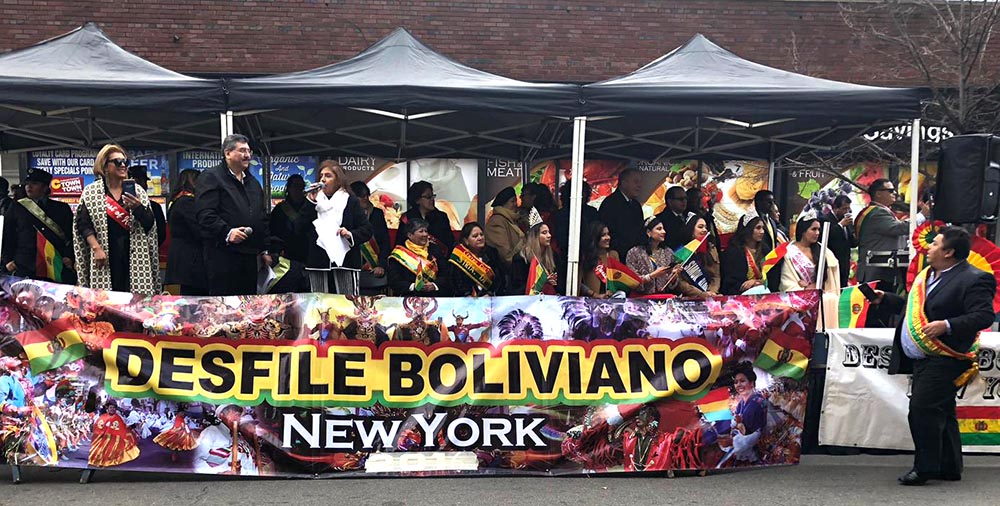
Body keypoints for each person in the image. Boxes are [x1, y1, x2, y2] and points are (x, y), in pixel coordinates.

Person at [873, 226, 995, 486]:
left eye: (936, 243)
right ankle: (949, 466)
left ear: (949, 252)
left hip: (946, 355)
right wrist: (887, 299)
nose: (929, 247)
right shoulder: (926, 276)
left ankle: (925, 467)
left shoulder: (975, 278)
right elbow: (913, 308)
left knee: (922, 408)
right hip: (921, 357)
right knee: (942, 408)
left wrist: (946, 325)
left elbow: (983, 315)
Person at [73, 144, 160, 295]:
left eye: (125, 162)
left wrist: (138, 208)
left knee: (134, 303)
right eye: (117, 162)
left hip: (134, 254)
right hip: (105, 253)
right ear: (105, 167)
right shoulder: (91, 192)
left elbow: (149, 225)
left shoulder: (137, 191)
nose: (123, 165)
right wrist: (96, 248)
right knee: (106, 301)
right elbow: (83, 223)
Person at [195, 134, 271, 296]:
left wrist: (264, 249)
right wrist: (227, 232)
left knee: (247, 305)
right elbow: (205, 214)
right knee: (225, 306)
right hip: (222, 255)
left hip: (249, 256)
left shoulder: (253, 182)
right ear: (227, 153)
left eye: (249, 151)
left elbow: (261, 216)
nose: (248, 155)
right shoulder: (211, 177)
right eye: (242, 150)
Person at [295, 160, 372, 291]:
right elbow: (299, 228)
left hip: (346, 262)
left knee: (346, 304)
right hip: (319, 262)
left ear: (338, 180)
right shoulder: (313, 202)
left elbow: (367, 230)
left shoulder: (350, 201)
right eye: (321, 176)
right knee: (320, 305)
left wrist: (350, 234)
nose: (323, 180)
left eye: (328, 176)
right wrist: (310, 203)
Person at [2, 169, 76, 284]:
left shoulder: (61, 209)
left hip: (54, 264)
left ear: (45, 187)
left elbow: (71, 236)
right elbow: (8, 235)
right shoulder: (16, 207)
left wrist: (69, 256)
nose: (29, 187)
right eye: (27, 184)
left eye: (34, 184)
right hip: (24, 264)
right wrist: (8, 260)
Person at [855, 179, 920, 290]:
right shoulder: (877, 213)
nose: (894, 193)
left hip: (882, 270)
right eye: (890, 190)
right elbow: (898, 228)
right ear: (878, 193)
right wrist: (922, 216)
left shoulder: (876, 211)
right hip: (877, 273)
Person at [768, 211, 840, 294]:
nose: (817, 233)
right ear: (803, 231)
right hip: (800, 300)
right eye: (813, 229)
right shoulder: (789, 252)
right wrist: (804, 290)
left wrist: (815, 285)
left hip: (822, 298)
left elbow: (831, 278)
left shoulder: (824, 251)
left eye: (818, 229)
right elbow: (787, 281)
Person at [164, 169, 206, 295]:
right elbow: (199, 229)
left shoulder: (176, 200)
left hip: (184, 259)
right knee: (195, 300)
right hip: (191, 260)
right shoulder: (186, 202)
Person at [395, 180, 453, 266]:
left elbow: (449, 243)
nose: (432, 200)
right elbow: (400, 244)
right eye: (428, 197)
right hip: (412, 263)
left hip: (437, 262)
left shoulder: (441, 217)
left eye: (433, 196)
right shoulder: (407, 218)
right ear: (417, 200)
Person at [625, 217, 684, 296]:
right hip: (639, 298)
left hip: (661, 297)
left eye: (663, 229)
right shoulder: (634, 252)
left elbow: (670, 286)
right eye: (659, 229)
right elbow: (632, 281)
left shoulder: (668, 252)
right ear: (648, 232)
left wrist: (673, 275)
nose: (664, 232)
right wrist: (652, 275)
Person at [350, 181, 391, 294]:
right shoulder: (347, 215)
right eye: (361, 196)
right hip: (354, 267)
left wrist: (381, 265)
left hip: (375, 268)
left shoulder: (377, 214)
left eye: (366, 195)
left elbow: (384, 242)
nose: (365, 199)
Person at [193, 404, 259, 475]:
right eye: (234, 413)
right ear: (221, 415)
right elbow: (196, 461)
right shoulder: (212, 431)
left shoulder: (239, 438)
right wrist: (218, 473)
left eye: (239, 415)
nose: (238, 417)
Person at [445, 222, 506, 297]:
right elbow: (454, 281)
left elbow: (500, 279)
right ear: (466, 241)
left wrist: (490, 293)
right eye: (475, 236)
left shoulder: (492, 253)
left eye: (481, 234)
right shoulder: (459, 255)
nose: (480, 238)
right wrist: (467, 294)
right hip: (466, 301)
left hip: (490, 300)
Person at [508, 208, 559, 295]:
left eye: (549, 232)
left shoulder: (554, 257)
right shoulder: (521, 259)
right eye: (544, 233)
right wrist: (542, 282)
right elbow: (517, 289)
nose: (549, 235)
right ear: (535, 236)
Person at [387, 217, 443, 296]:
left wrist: (434, 285)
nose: (425, 234)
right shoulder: (399, 253)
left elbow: (445, 275)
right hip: (408, 295)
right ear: (410, 235)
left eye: (426, 231)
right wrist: (413, 286)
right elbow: (394, 281)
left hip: (434, 295)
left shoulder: (434, 249)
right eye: (421, 231)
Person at [598, 169, 645, 259]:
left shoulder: (635, 205)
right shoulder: (610, 204)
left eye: (640, 182)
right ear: (624, 183)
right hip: (617, 256)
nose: (639, 185)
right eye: (636, 182)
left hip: (635, 257)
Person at [720, 213, 767, 295]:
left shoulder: (765, 250)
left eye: (763, 228)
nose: (762, 232)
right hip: (741, 295)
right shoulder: (733, 252)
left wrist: (757, 282)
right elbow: (730, 283)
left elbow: (773, 277)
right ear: (748, 229)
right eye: (758, 228)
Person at [270, 174, 309, 263]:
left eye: (300, 186)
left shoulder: (310, 206)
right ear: (289, 188)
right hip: (287, 253)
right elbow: (273, 231)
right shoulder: (280, 209)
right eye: (295, 186)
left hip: (307, 251)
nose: (298, 189)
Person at [88, 400, 140, 467]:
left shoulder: (118, 418)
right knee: (100, 451)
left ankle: (106, 462)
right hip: (103, 438)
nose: (112, 409)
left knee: (110, 452)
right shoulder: (103, 417)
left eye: (113, 408)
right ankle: (99, 462)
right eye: (111, 407)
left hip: (114, 439)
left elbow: (123, 427)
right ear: (107, 409)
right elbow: (98, 426)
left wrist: (131, 427)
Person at [680, 214, 720, 296]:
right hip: (690, 296)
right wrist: (701, 294)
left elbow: (716, 276)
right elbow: (680, 282)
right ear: (691, 230)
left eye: (706, 227)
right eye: (700, 227)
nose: (705, 230)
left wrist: (712, 292)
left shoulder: (711, 248)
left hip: (711, 294)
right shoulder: (682, 252)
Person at [128, 165, 167, 248]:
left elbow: (161, 234)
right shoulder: (119, 205)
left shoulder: (155, 207)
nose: (143, 186)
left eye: (143, 182)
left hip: (146, 252)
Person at [484, 186, 524, 265]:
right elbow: (505, 255)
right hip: (509, 271)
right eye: (512, 201)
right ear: (503, 204)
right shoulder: (497, 222)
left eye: (515, 201)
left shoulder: (512, 219)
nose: (515, 204)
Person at [823, 195, 856, 286]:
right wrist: (840, 225)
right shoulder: (825, 219)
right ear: (835, 208)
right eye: (844, 209)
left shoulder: (847, 221)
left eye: (848, 209)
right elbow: (827, 237)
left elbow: (853, 243)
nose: (846, 212)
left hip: (844, 263)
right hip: (831, 263)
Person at [579, 221, 618, 298]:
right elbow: (578, 283)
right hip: (591, 300)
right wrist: (594, 294)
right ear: (595, 237)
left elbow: (618, 280)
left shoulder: (613, 255)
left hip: (610, 300)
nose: (608, 238)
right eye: (603, 235)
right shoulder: (586, 256)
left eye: (608, 234)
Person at [754, 190, 788, 254]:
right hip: (757, 258)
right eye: (769, 202)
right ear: (759, 202)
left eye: (773, 202)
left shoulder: (772, 221)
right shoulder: (753, 220)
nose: (772, 205)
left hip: (771, 260)